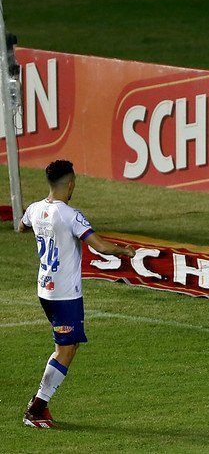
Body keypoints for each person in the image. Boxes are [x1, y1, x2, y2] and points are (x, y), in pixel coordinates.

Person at [19, 160, 136, 428]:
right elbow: (101, 247)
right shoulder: (70, 215)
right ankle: (37, 409)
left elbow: (22, 225)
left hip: (45, 288)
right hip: (64, 294)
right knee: (66, 349)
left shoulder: (35, 209)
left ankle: (39, 406)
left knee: (68, 345)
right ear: (70, 184)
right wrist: (124, 250)